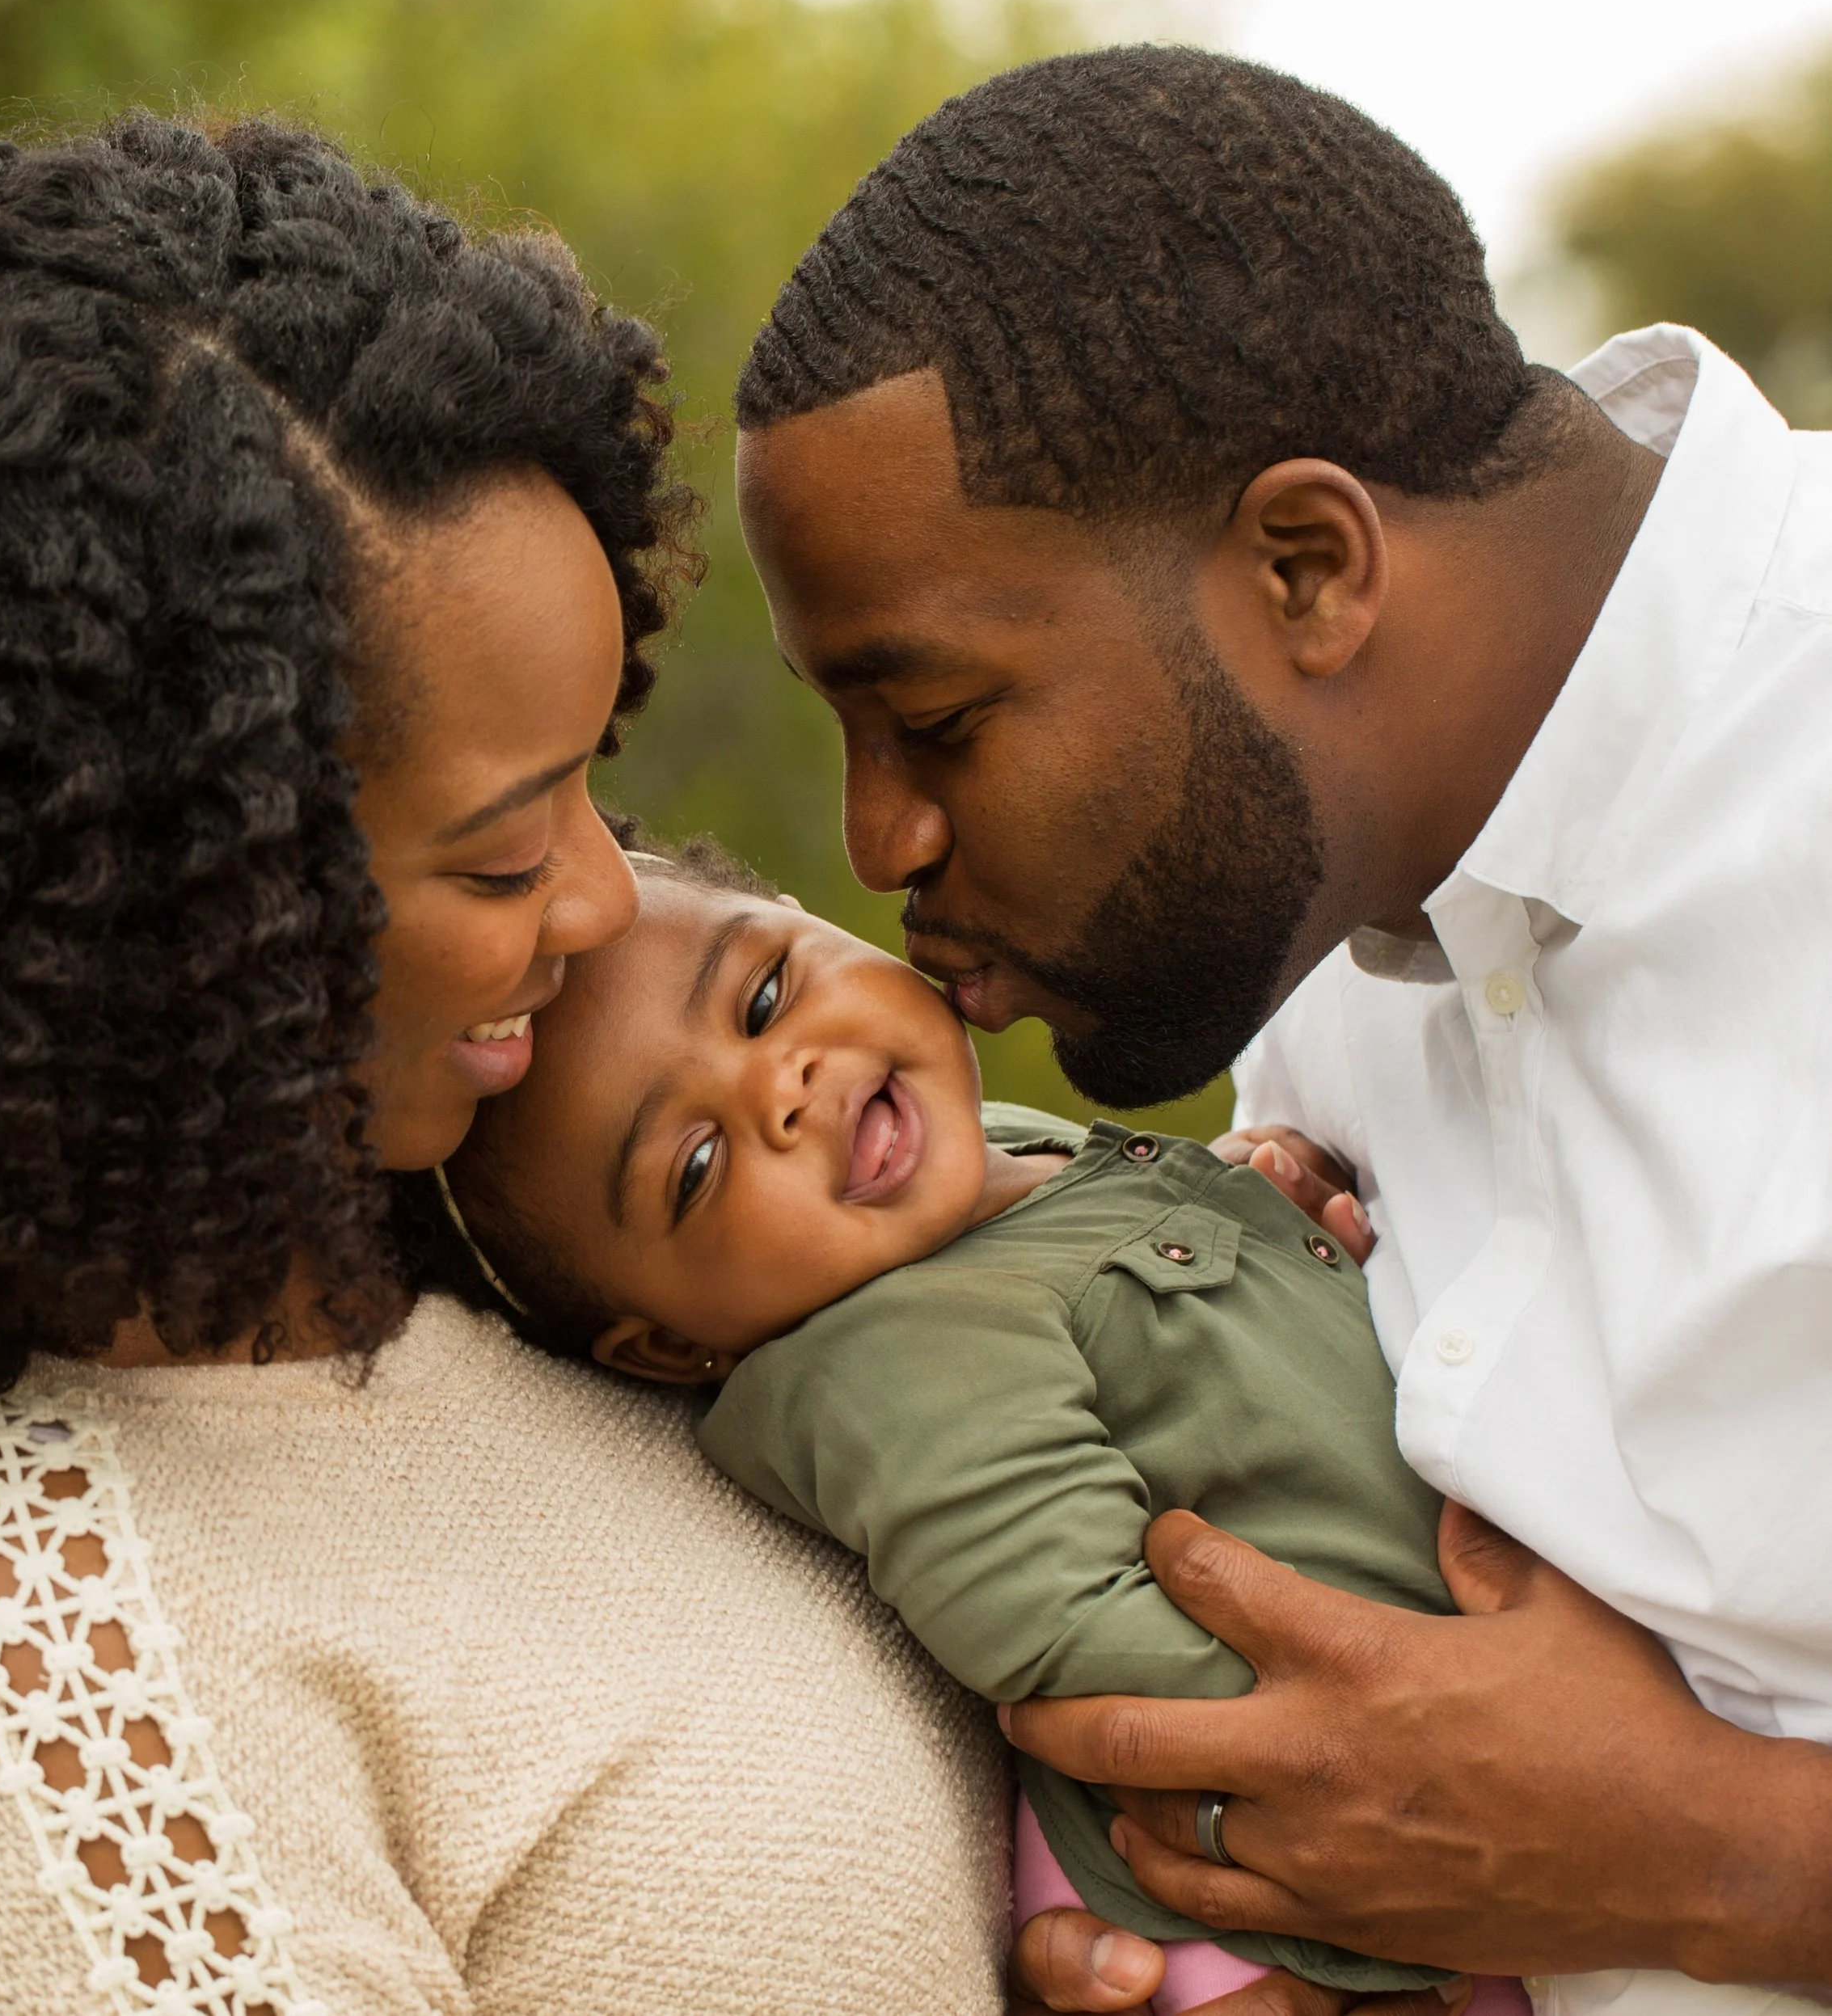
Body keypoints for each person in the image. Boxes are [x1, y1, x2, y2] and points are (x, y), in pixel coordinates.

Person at [0, 117, 1011, 2014]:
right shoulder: (39, 1695)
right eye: (506, 851)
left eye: (593, 782)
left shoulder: (539, 1244)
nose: (614, 904)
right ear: (169, 910)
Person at [732, 42, 1832, 2016]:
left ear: (1305, 566)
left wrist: (1722, 1857)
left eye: (939, 718)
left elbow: (1612, 1831)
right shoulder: (1323, 962)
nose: (878, 840)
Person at [436, 838, 1532, 2014]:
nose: (783, 1089)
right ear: (666, 1343)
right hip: (1322, 1897)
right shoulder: (885, 1363)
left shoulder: (996, 1160)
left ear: (819, 923)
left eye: (764, 997)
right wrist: (1467, 1746)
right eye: (697, 1165)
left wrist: (1233, 1215)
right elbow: (1087, 1650)